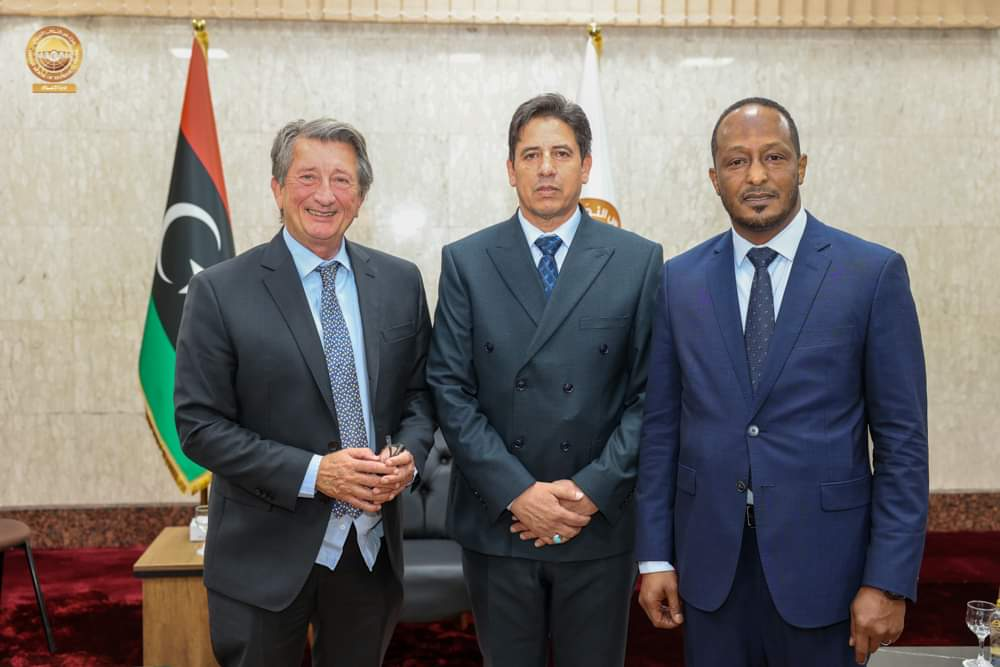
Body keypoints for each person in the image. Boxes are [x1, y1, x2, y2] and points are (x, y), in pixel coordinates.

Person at [635, 97, 929, 667]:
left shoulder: (871, 274)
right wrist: (654, 557)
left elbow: (903, 442)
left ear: (802, 166)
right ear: (714, 178)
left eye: (774, 157)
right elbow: (661, 430)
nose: (757, 176)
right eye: (737, 161)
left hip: (828, 572)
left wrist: (888, 580)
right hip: (710, 570)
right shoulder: (678, 282)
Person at [174, 118, 434, 667]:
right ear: (277, 188)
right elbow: (200, 427)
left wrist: (407, 456)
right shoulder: (220, 290)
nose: (324, 194)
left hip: (368, 555)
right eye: (307, 177)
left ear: (360, 197)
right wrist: (317, 474)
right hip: (262, 558)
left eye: (342, 180)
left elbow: (420, 395)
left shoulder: (400, 282)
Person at [428, 92, 663, 667]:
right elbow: (449, 389)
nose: (546, 168)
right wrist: (519, 493)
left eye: (561, 153)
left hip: (597, 523)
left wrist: (588, 493)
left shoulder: (637, 260)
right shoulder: (467, 260)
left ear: (586, 166)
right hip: (499, 523)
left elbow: (651, 394)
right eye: (531, 156)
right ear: (511, 170)